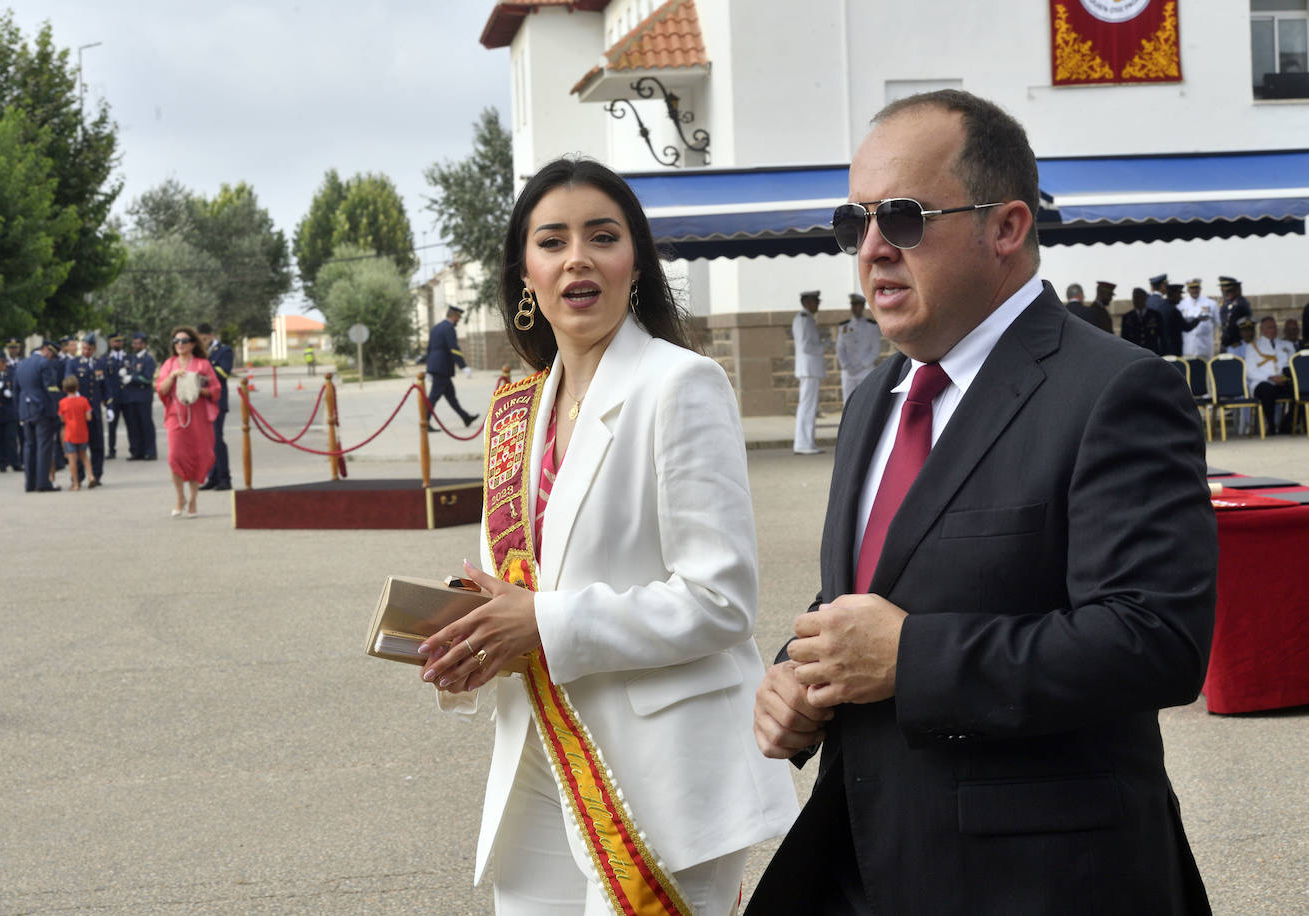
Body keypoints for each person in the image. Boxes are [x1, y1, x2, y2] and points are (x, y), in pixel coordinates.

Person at [748, 89, 1214, 915]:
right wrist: (800, 672)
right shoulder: (873, 400)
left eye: (902, 217)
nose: (872, 250)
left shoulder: (1113, 391)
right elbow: (884, 587)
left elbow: (1155, 638)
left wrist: (913, 659)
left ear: (1007, 227)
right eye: (853, 224)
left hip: (1037, 882)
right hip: (863, 862)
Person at [417, 157, 799, 916]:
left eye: (602, 236)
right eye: (552, 241)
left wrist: (542, 622)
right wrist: (475, 639)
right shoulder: (515, 409)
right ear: (525, 271)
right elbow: (521, 589)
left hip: (663, 784)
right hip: (541, 762)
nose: (577, 258)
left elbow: (720, 600)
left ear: (636, 262)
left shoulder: (681, 385)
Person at [155, 325, 221, 517]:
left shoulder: (203, 364)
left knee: (197, 457)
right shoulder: (169, 364)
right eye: (176, 341)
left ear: (192, 344)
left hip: (198, 416)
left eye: (184, 341)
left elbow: (215, 391)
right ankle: (179, 497)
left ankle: (192, 499)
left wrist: (196, 388)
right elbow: (161, 390)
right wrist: (173, 376)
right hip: (176, 415)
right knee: (174, 457)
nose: (180, 344)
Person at [16, 338, 63, 493]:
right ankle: (43, 482)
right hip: (42, 409)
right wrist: (60, 405)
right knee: (44, 446)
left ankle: (30, 483)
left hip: (26, 410)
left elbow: (17, 391)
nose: (52, 358)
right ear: (46, 350)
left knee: (29, 446)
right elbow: (50, 388)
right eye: (52, 354)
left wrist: (20, 410)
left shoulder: (21, 364)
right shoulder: (44, 363)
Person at [424, 305, 479, 431]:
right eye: (458, 318)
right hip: (442, 368)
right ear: (454, 316)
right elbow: (454, 349)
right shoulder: (449, 328)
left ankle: (466, 418)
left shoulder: (436, 328)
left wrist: (428, 368)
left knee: (451, 397)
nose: (458, 321)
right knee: (434, 397)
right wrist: (463, 366)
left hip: (436, 367)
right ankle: (425, 422)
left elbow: (429, 349)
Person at [66, 335, 108, 487]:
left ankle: (96, 476)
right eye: (84, 348)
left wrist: (109, 405)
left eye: (89, 349)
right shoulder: (73, 364)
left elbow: (105, 385)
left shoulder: (99, 364)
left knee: (97, 445)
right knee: (78, 446)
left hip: (95, 411)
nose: (86, 351)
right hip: (79, 413)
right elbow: (68, 383)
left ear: (94, 349)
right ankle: (77, 477)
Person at [1243, 316, 1296, 434]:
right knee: (1267, 390)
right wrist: (1269, 377)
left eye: (1274, 327)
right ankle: (1271, 425)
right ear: (1262, 330)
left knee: (1299, 392)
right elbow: (1250, 371)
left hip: (1283, 381)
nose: (1273, 330)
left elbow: (1291, 366)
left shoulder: (1287, 345)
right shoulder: (1252, 346)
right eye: (1270, 328)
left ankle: (1287, 423)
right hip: (1262, 382)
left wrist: (1284, 377)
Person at [198, 323, 234, 491]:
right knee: (207, 441)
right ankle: (212, 476)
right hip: (203, 400)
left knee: (217, 439)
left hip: (218, 400)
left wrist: (205, 368)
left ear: (210, 336)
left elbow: (224, 373)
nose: (201, 342)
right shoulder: (199, 353)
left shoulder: (224, 350)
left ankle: (225, 478)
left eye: (203, 339)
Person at [793, 289, 826, 453]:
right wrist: (824, 346)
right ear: (807, 302)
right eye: (816, 301)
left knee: (809, 406)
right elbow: (806, 346)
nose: (818, 304)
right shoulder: (804, 319)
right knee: (807, 406)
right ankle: (803, 444)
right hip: (809, 368)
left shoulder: (806, 318)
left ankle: (807, 442)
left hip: (809, 369)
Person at [836, 292, 880, 405]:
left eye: (857, 305)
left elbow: (875, 350)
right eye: (852, 305)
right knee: (848, 404)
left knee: (866, 402)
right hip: (848, 372)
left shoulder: (872, 326)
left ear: (862, 306)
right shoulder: (844, 326)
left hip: (865, 371)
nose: (854, 308)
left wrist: (861, 366)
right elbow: (840, 349)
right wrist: (846, 365)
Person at [120, 332, 158, 460]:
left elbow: (148, 378)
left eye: (137, 343)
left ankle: (150, 451)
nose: (134, 345)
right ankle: (136, 451)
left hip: (143, 397)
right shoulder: (132, 358)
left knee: (145, 424)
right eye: (133, 343)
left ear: (144, 344)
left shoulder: (148, 359)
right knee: (133, 425)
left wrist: (132, 378)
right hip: (130, 397)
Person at [56, 374, 96, 491]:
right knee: (84, 456)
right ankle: (91, 476)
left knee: (72, 459)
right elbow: (89, 417)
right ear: (78, 387)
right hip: (82, 432)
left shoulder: (62, 403)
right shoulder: (83, 400)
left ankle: (76, 483)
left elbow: (61, 419)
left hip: (70, 434)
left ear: (64, 389)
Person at [1177, 278, 1216, 361]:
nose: (1195, 290)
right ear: (1188, 290)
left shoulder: (1211, 304)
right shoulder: (1181, 305)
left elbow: (1216, 323)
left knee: (1206, 372)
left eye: (1196, 288)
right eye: (1192, 288)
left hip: (1205, 347)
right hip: (1188, 347)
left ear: (1200, 288)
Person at [103, 332, 127, 458]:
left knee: (132, 424)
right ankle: (112, 450)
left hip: (128, 397)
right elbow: (104, 380)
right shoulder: (105, 359)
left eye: (120, 341)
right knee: (112, 426)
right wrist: (104, 397)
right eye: (115, 341)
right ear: (110, 343)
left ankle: (135, 449)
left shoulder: (128, 357)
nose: (118, 343)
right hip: (113, 397)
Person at [1120, 287, 1163, 353]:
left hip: (1152, 352)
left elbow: (1162, 336)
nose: (1136, 301)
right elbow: (1124, 338)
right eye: (1134, 298)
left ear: (1144, 299)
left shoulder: (1155, 315)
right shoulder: (1127, 317)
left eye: (1138, 297)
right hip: (1134, 352)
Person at [1218, 276, 1252, 350]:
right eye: (1225, 291)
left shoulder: (1241, 304)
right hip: (1226, 343)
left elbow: (1246, 326)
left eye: (1229, 291)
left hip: (1238, 344)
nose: (1226, 294)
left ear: (1236, 290)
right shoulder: (1226, 304)